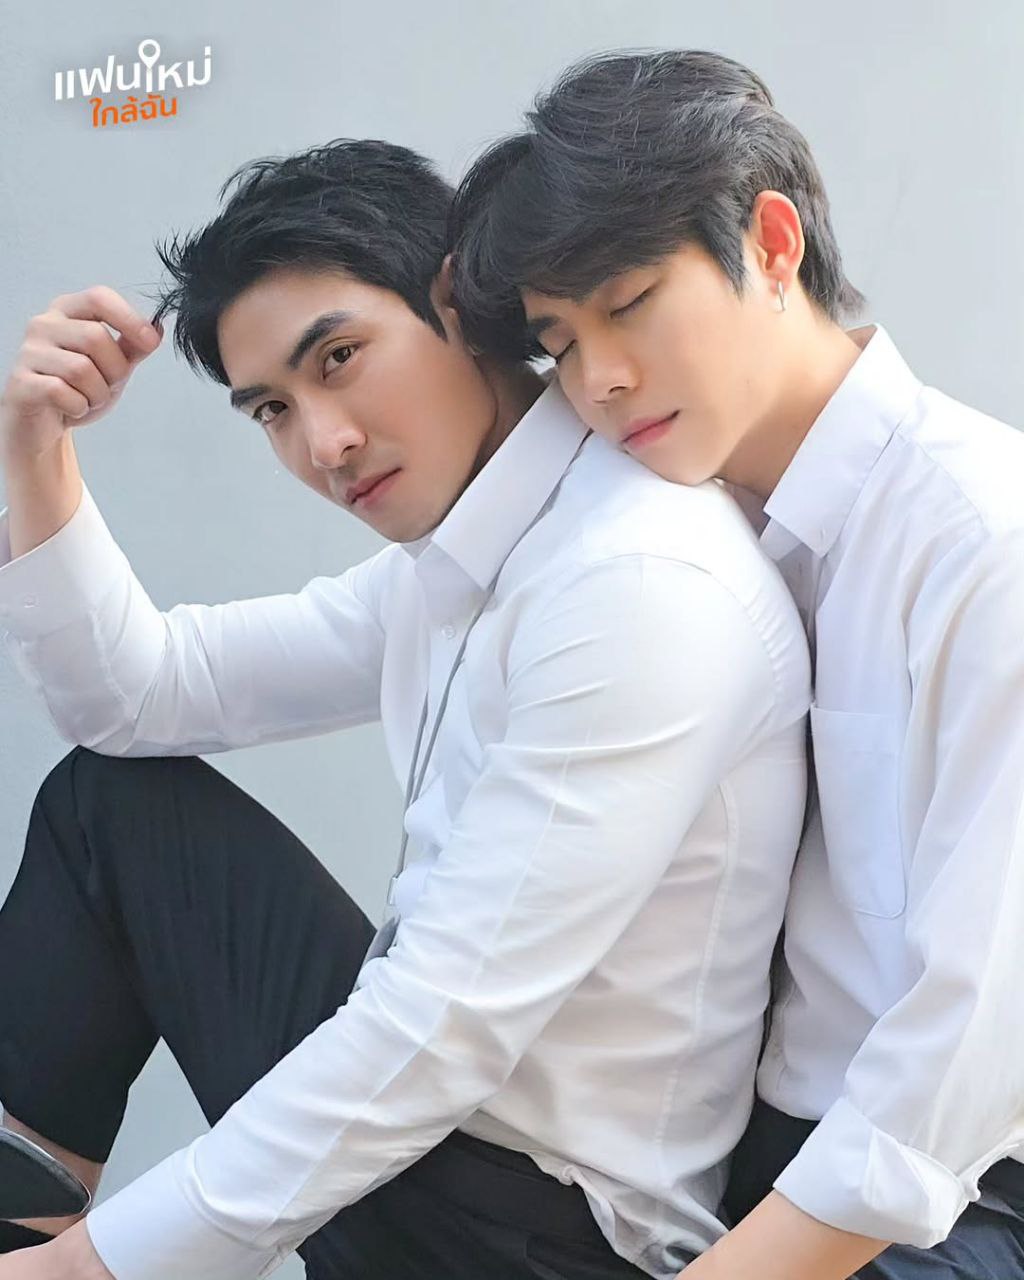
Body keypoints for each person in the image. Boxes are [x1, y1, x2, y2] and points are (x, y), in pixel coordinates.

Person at [0, 137, 809, 1280]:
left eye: (339, 358)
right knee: (113, 810)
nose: (324, 443)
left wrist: (89, 1266)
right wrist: (33, 451)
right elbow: (133, 699)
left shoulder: (630, 581)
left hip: (545, 1238)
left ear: (458, 299)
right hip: (454, 1156)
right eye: (272, 408)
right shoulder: (471, 554)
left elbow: (441, 1031)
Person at [448, 47, 1024, 1280]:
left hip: (945, 1200)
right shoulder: (680, 534)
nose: (599, 380)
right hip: (738, 1170)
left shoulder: (980, 536)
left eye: (629, 302)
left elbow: (969, 1047)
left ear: (771, 243)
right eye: (559, 342)